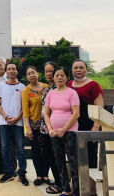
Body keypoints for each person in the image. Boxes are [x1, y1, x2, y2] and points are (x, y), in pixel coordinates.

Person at [67, 59, 104, 196]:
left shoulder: (93, 85)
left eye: (81, 67)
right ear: (71, 70)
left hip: (89, 127)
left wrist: (95, 127)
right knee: (74, 158)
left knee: (90, 158)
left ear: (86, 69)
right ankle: (77, 189)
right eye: (75, 67)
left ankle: (91, 190)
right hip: (73, 126)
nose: (78, 70)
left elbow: (99, 107)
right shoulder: (69, 84)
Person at [44, 67, 80, 196]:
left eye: (62, 75)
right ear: (53, 77)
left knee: (73, 161)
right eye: (57, 75)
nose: (59, 77)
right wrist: (50, 129)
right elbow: (46, 114)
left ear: (67, 78)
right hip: (54, 133)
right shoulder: (50, 93)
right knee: (58, 161)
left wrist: (64, 129)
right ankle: (66, 189)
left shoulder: (72, 93)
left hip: (69, 131)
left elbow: (76, 114)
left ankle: (76, 191)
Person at [0, 62, 28, 185]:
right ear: (6, 71)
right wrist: (5, 116)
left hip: (18, 123)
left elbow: (25, 106)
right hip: (4, 122)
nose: (11, 71)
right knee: (5, 148)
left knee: (20, 149)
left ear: (17, 71)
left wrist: (17, 118)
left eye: (13, 69)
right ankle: (8, 172)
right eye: (9, 69)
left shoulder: (23, 87)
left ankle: (22, 173)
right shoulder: (1, 86)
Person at [22, 66, 53, 186]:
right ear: (27, 77)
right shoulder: (26, 91)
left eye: (33, 72)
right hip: (34, 126)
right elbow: (25, 111)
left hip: (47, 125)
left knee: (47, 150)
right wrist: (28, 128)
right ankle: (39, 175)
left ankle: (46, 175)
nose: (32, 75)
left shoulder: (46, 87)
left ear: (38, 73)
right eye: (29, 73)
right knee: (35, 151)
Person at [41, 62, 62, 194]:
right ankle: (58, 181)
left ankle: (60, 183)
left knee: (57, 156)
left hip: (55, 127)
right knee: (50, 155)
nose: (49, 74)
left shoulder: (58, 87)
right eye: (47, 71)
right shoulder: (47, 87)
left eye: (51, 71)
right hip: (46, 127)